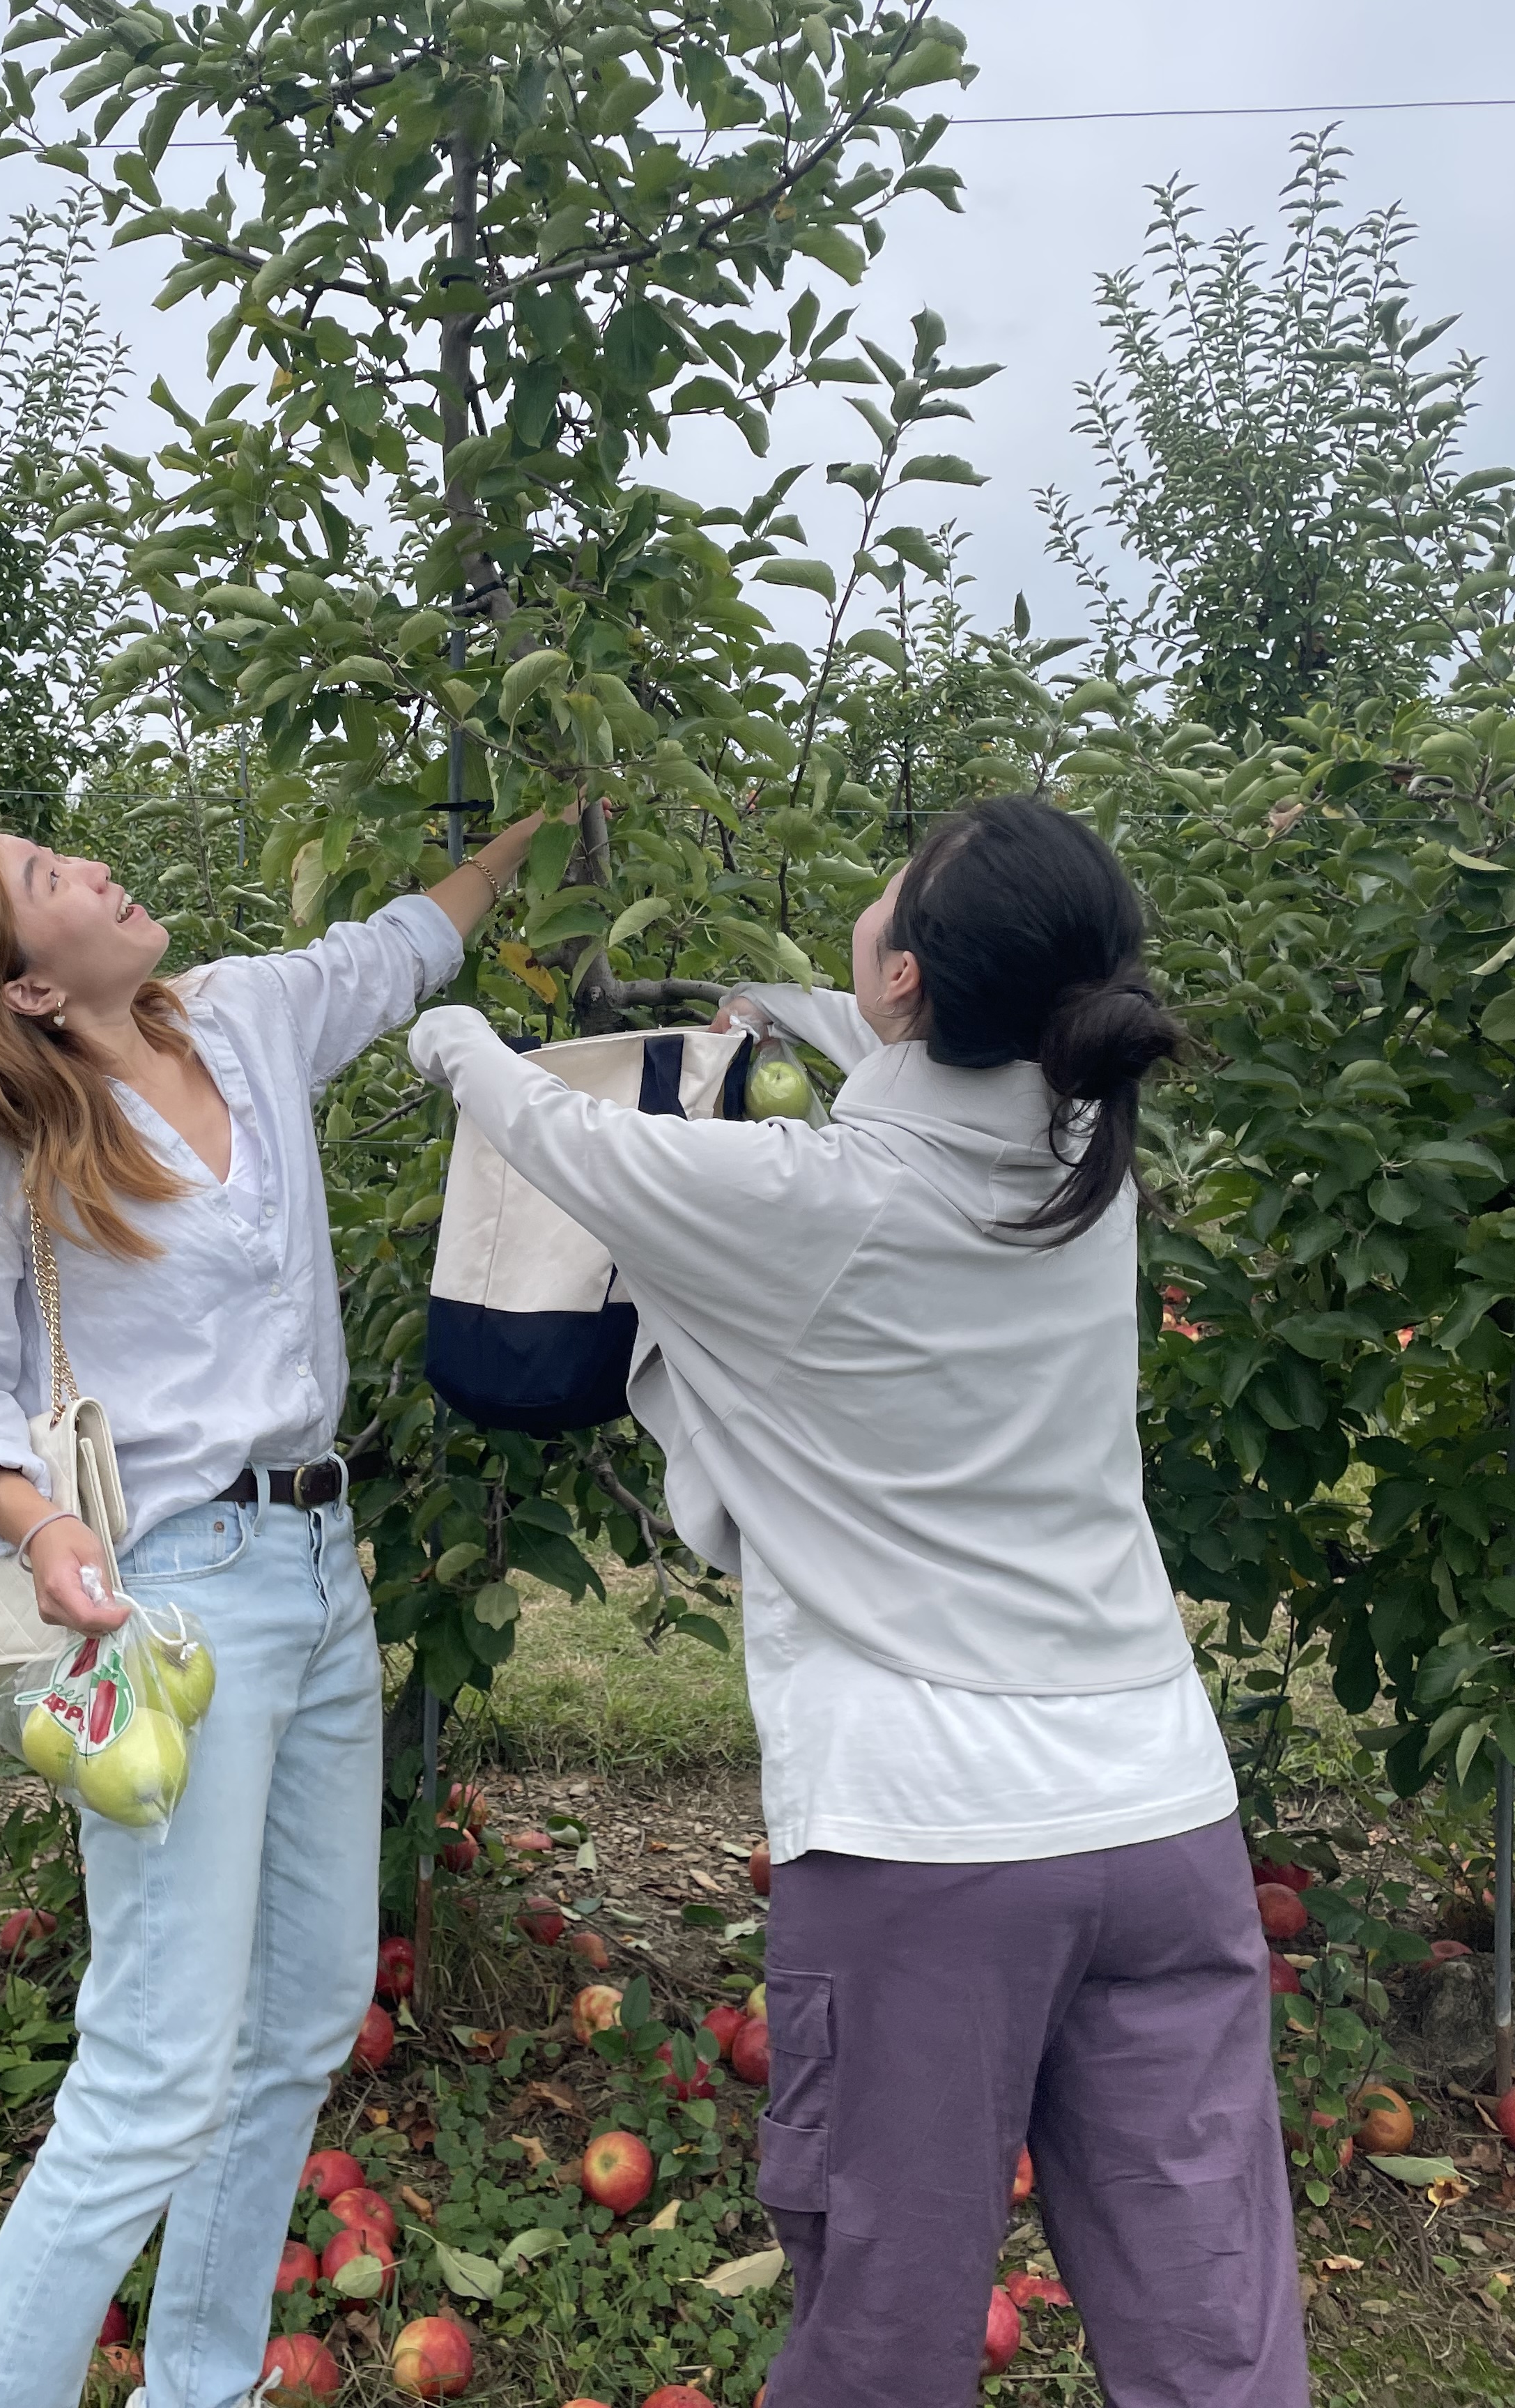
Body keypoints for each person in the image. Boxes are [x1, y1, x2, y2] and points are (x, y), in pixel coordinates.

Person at [406, 795, 1307, 2408]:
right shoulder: (1081, 1148)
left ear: (908, 982)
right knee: (1211, 2321)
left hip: (932, 1849)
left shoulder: (806, 1202)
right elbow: (904, 1055)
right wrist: (784, 1013)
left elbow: (568, 1145)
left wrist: (458, 1034)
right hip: (1164, 1823)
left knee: (888, 2324)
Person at [0, 810, 549, 2408]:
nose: (91, 870)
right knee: (156, 2067)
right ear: (23, 988)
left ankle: (199, 2387)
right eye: (47, 882)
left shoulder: (237, 1016)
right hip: (166, 1602)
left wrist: (512, 848)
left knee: (301, 2014)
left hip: (315, 1567)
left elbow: (394, 949)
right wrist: (35, 1529)